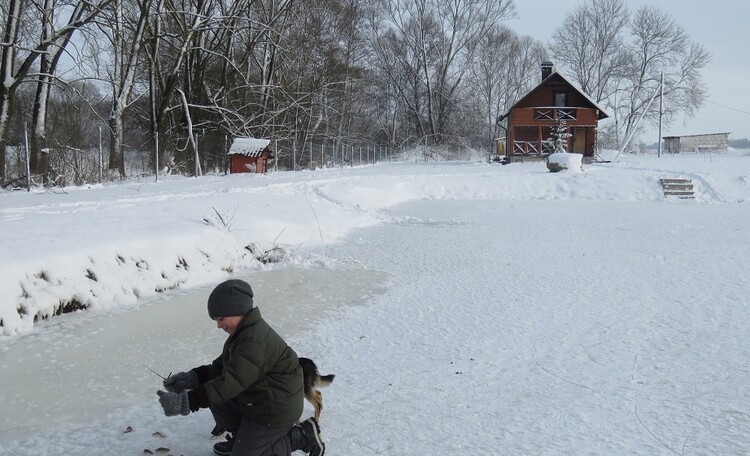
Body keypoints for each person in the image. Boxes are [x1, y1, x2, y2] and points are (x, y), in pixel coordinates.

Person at [156, 279, 325, 456]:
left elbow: (228, 384)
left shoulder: (253, 341)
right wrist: (189, 379)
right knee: (216, 396)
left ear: (236, 310)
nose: (218, 325)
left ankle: (301, 437)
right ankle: (242, 439)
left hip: (275, 411)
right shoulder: (243, 333)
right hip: (259, 400)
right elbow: (220, 368)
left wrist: (186, 402)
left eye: (221, 318)